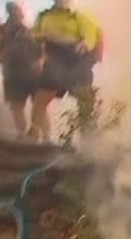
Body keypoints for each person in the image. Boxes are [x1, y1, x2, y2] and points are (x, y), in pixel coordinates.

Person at [28, 0, 101, 143]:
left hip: (77, 62)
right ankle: (38, 138)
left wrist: (84, 45)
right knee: (40, 101)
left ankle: (89, 144)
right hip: (55, 61)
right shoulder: (43, 16)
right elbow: (35, 34)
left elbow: (90, 38)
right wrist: (45, 36)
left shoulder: (79, 17)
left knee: (85, 104)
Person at [0, 2, 40, 138]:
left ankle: (39, 134)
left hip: (31, 74)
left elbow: (40, 50)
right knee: (17, 106)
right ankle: (22, 135)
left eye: (18, 12)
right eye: (15, 12)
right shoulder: (2, 31)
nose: (18, 14)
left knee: (38, 105)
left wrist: (39, 63)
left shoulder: (29, 31)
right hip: (12, 74)